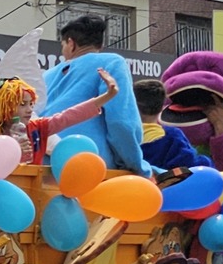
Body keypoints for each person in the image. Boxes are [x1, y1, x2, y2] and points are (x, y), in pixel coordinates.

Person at [40, 14, 150, 175]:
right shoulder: (111, 63)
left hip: (44, 164)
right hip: (93, 167)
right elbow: (121, 121)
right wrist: (135, 164)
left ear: (71, 44)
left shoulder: (46, 76)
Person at [0, 72, 121, 164]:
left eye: (31, 104)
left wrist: (107, 96)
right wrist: (12, 153)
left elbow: (68, 116)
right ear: (0, 106)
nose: (29, 110)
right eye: (22, 104)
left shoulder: (37, 129)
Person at [134, 77, 209, 171]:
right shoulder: (172, 136)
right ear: (162, 107)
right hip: (163, 185)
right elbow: (189, 165)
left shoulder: (120, 135)